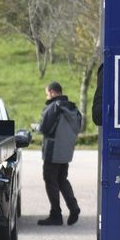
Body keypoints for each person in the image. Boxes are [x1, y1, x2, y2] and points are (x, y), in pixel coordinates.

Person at [38, 81, 82, 226]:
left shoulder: (54, 107)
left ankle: (55, 215)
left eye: (47, 93)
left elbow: (45, 128)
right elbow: (77, 128)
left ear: (51, 92)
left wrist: (38, 127)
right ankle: (73, 207)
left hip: (53, 151)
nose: (47, 96)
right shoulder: (73, 109)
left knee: (50, 180)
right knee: (62, 180)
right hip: (66, 152)